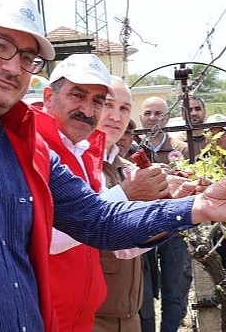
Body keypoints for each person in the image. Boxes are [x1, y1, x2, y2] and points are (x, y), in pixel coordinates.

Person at [0, 0, 226, 332]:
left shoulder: (30, 151)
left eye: (28, 57)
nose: (13, 66)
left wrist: (199, 206)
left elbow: (97, 219)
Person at [38, 55, 173, 331]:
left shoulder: (86, 155)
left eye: (98, 101)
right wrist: (127, 195)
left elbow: (118, 243)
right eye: (78, 95)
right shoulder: (36, 148)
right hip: (58, 318)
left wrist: (182, 210)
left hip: (94, 313)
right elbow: (45, 237)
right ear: (49, 96)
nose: (89, 110)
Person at [94, 75, 177, 332]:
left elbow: (129, 244)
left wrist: (177, 208)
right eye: (108, 105)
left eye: (124, 109)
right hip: (90, 314)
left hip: (129, 312)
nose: (116, 118)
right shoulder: (74, 166)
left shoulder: (126, 169)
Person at [137, 95, 195, 332]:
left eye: (158, 114)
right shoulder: (132, 147)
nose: (153, 119)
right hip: (141, 231)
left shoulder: (181, 148)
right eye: (148, 113)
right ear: (140, 117)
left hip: (174, 230)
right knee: (145, 290)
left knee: (174, 288)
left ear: (168, 117)